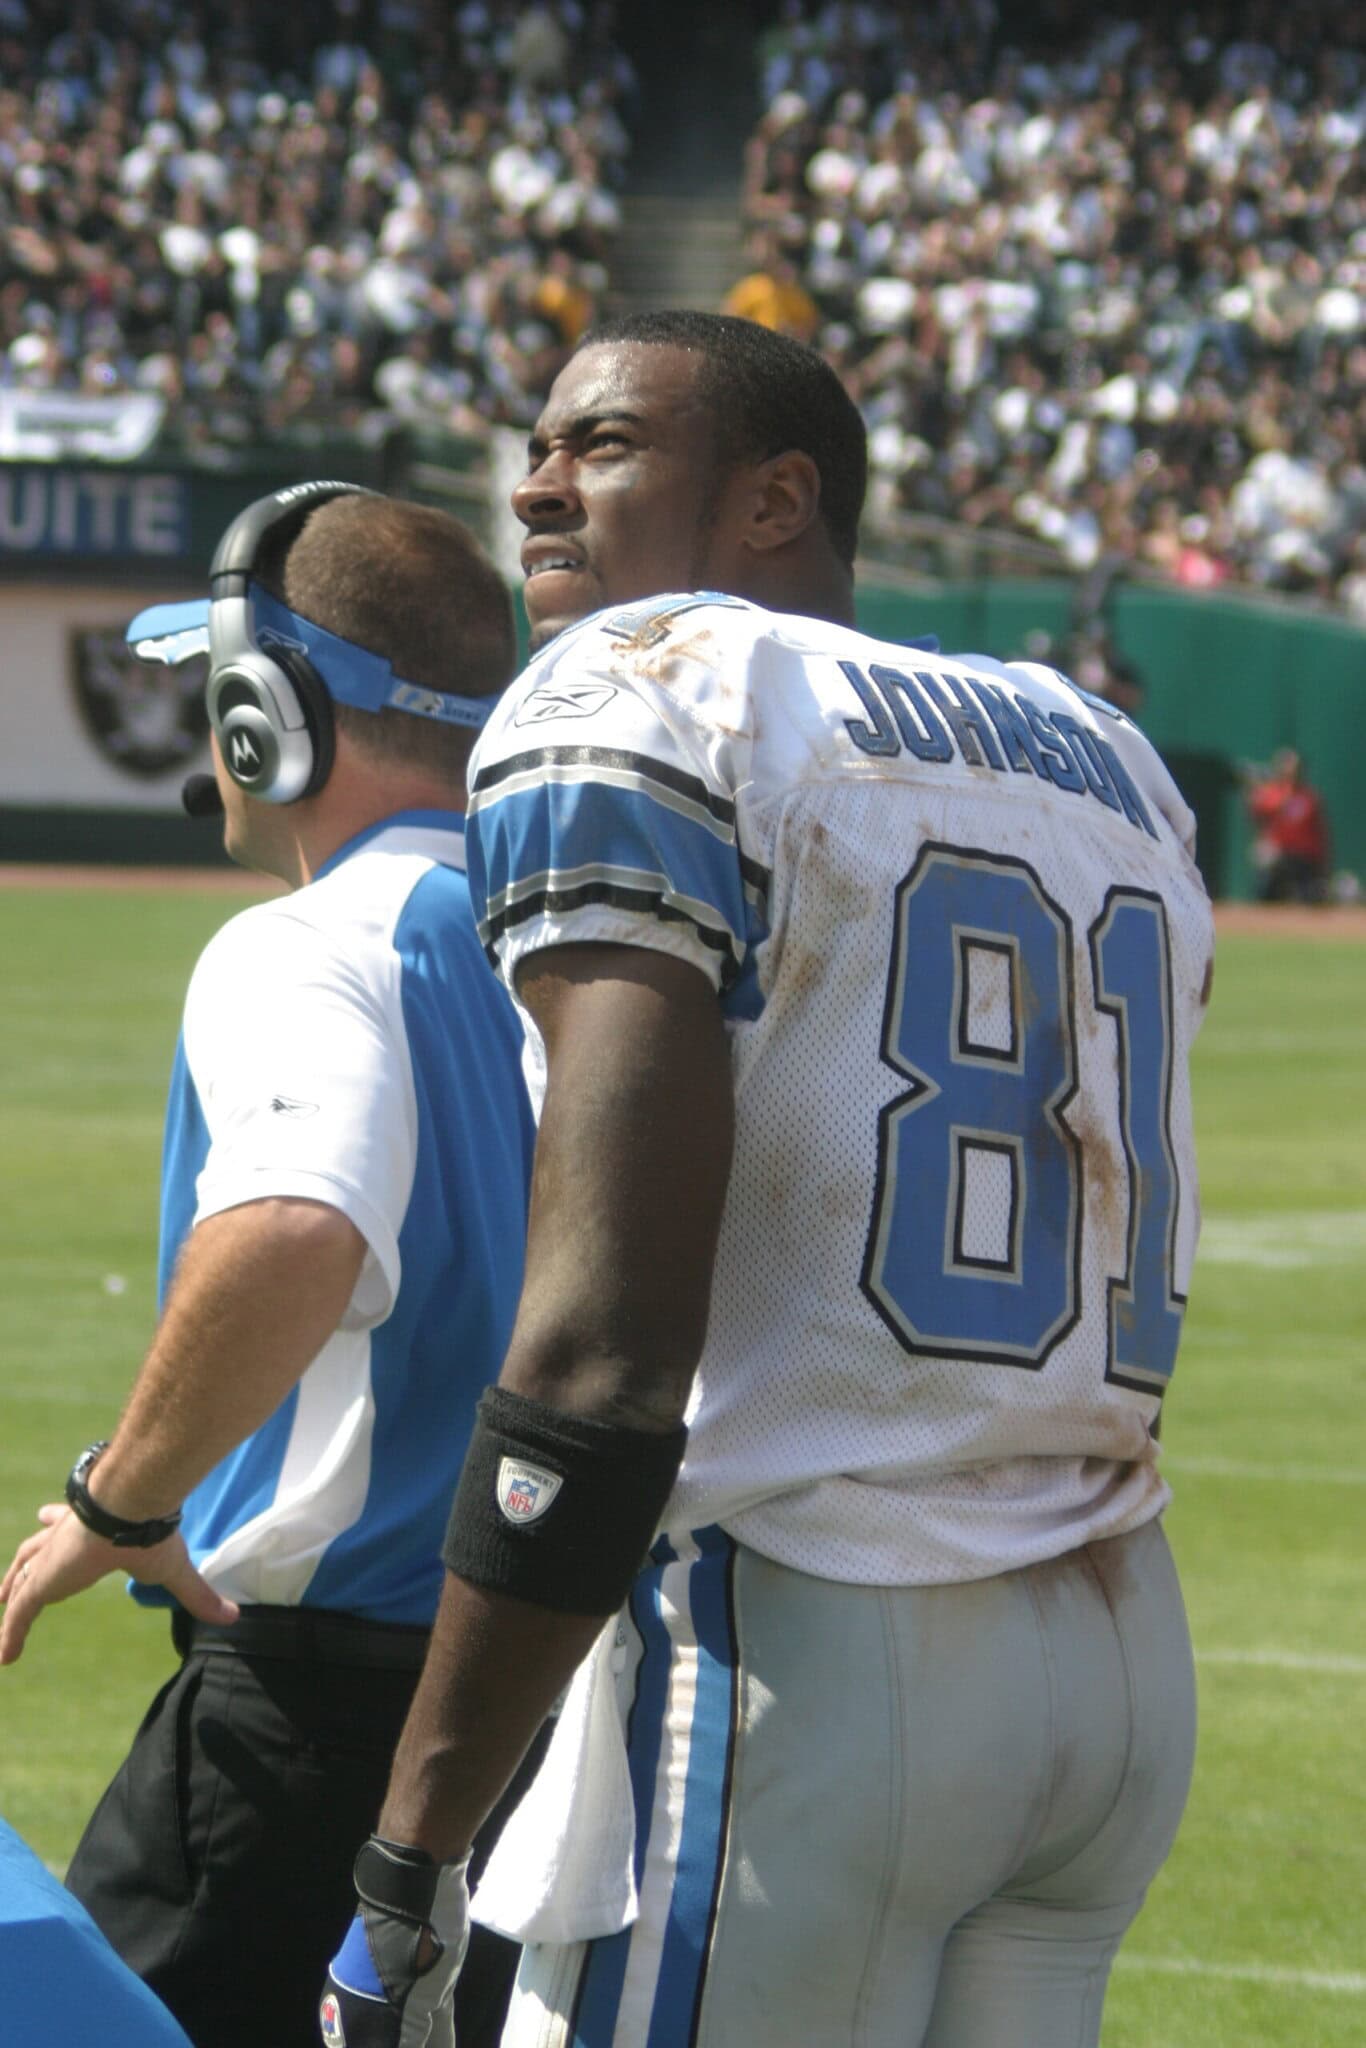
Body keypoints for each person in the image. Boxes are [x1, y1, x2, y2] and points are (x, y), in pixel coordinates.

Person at [323, 313, 1213, 2048]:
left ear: (774, 497)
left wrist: (411, 1847)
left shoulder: (648, 679)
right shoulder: (1098, 747)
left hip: (812, 1632)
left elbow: (600, 1358)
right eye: (538, 447)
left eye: (601, 445)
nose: (535, 487)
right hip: (1115, 1656)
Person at [0, 483, 538, 2048]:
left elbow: (297, 1226)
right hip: (541, 1698)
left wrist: (124, 1501)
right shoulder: (582, 945)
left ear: (266, 717)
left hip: (311, 1711)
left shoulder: (307, 944)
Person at [1244, 746, 1331, 903]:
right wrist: (1254, 790)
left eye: (1294, 767)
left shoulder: (1309, 797)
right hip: (1279, 855)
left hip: (1304, 857)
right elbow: (1257, 814)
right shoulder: (1270, 793)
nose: (1291, 772)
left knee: (1312, 896)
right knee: (1265, 856)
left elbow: (1320, 833)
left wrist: (1323, 863)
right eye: (1286, 766)